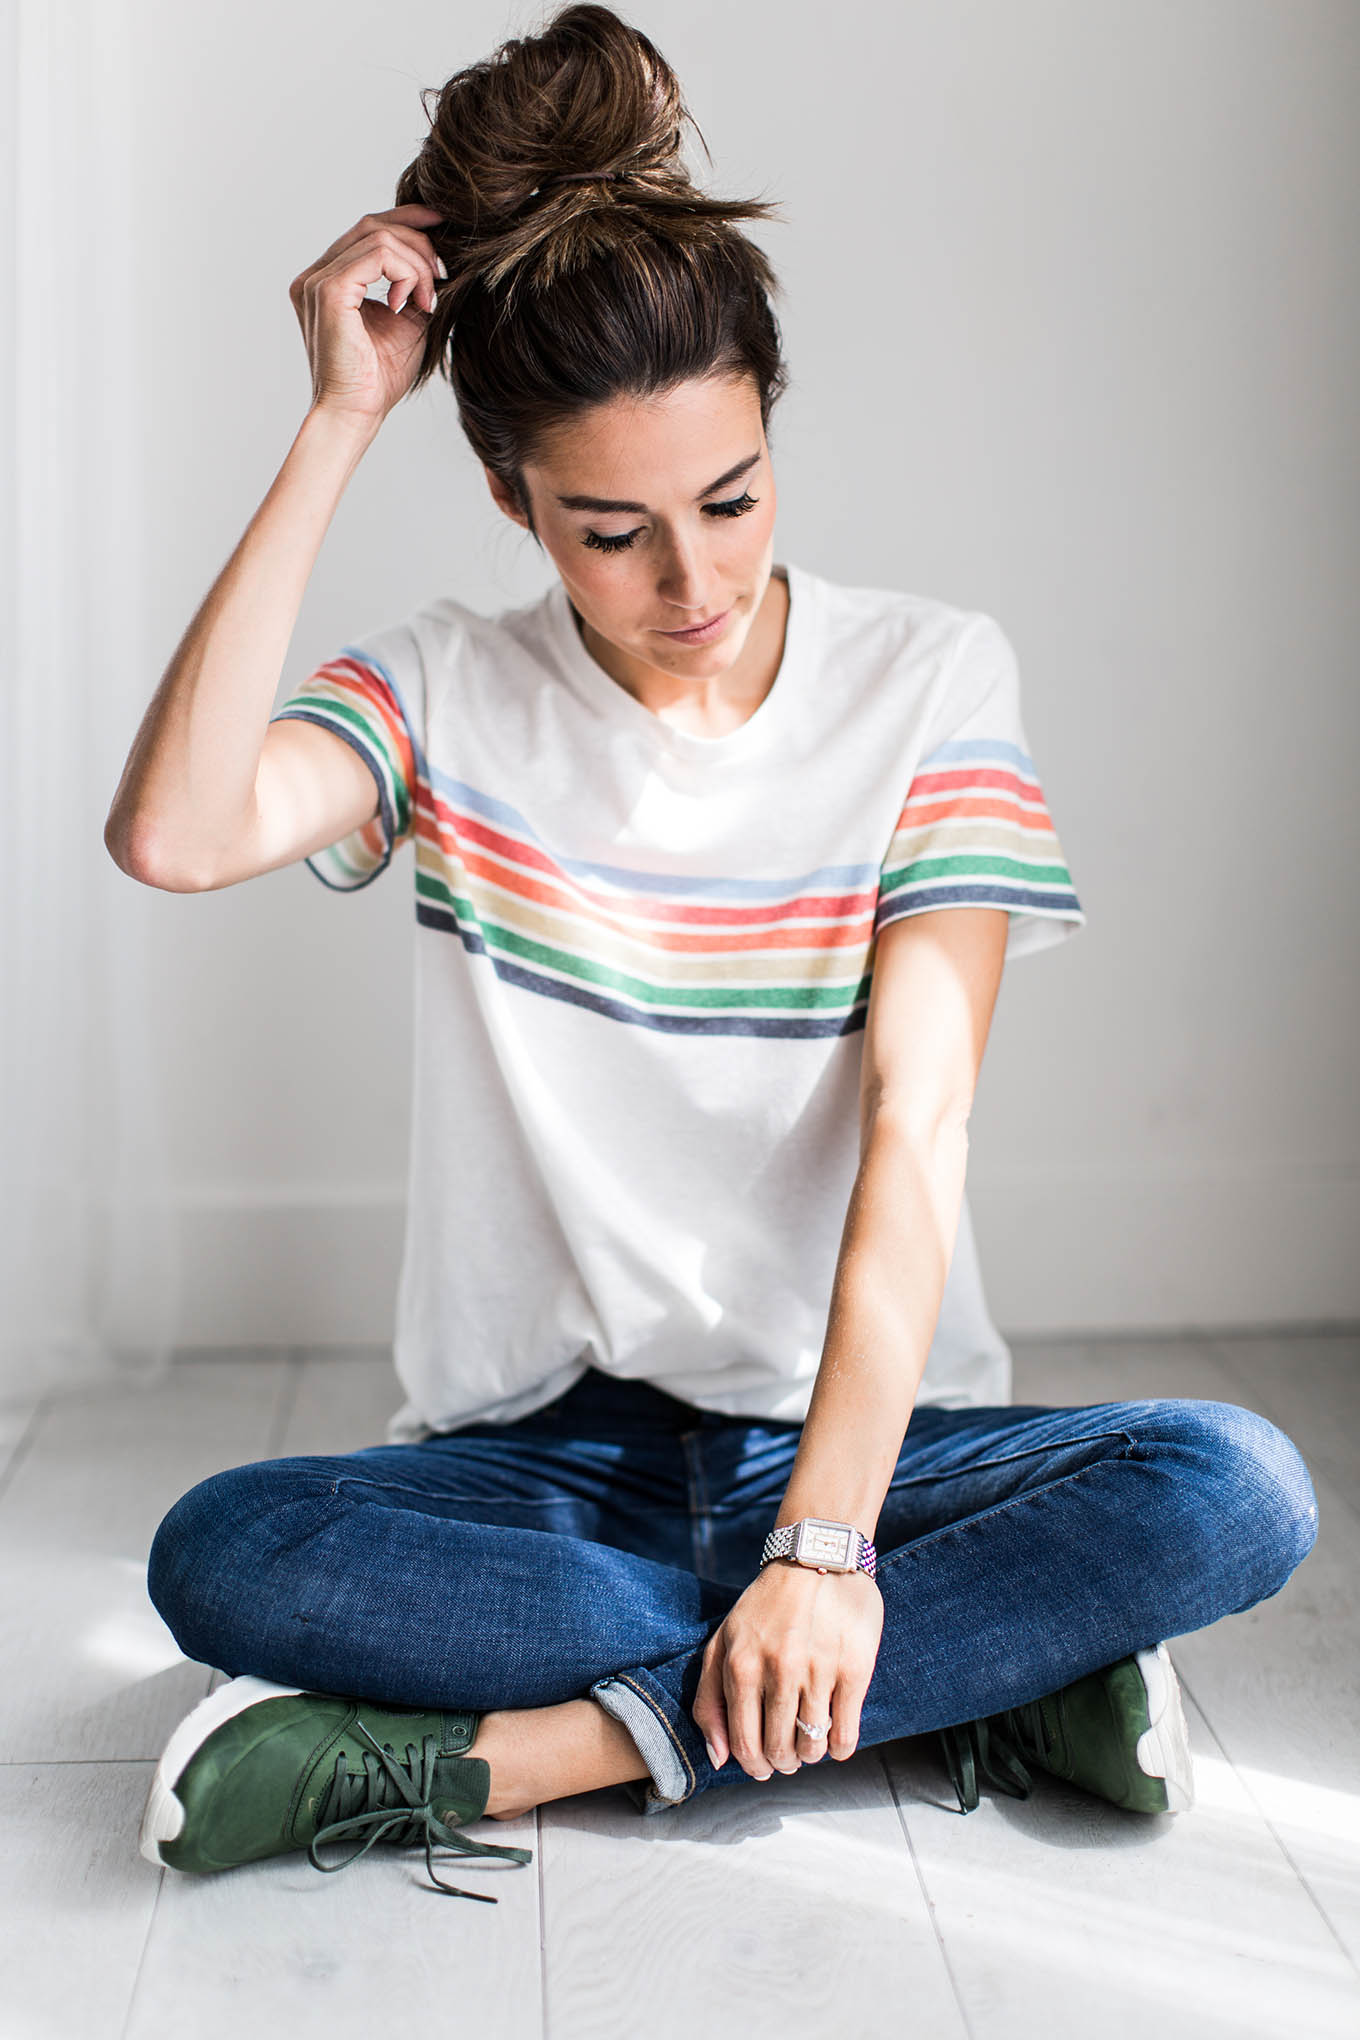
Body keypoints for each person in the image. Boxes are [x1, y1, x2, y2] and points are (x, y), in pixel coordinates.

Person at [107, 3, 1318, 1903]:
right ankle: (971, 1681)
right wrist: (342, 416)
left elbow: (918, 1129)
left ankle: (536, 1755)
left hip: (853, 1439)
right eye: (614, 533)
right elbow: (175, 833)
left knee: (1238, 1485)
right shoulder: (444, 693)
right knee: (224, 1551)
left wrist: (828, 1554)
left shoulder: (928, 683)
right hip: (540, 1464)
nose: (696, 583)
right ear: (514, 501)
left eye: (733, 499)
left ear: (773, 427)